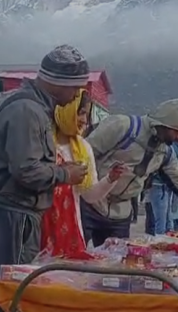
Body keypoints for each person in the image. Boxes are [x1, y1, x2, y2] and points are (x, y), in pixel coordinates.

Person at [0, 45, 90, 312]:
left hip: (20, 214)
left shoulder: (35, 108)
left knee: (15, 289)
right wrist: (67, 173)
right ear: (58, 83)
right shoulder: (28, 112)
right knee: (13, 293)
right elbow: (26, 170)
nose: (77, 94)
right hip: (13, 214)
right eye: (75, 87)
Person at [83, 99, 178, 246]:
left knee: (113, 265)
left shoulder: (165, 153)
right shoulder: (122, 127)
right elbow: (83, 154)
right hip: (89, 205)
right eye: (176, 131)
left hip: (121, 213)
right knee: (69, 262)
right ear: (162, 124)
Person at [41, 92, 125, 258]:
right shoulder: (42, 142)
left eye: (87, 115)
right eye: (81, 113)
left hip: (69, 230)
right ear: (66, 110)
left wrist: (110, 179)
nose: (85, 121)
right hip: (39, 227)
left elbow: (89, 195)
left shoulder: (83, 149)